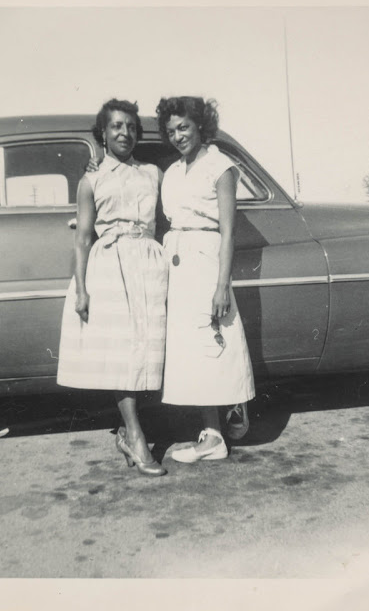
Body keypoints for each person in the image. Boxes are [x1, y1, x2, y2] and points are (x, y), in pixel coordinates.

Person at [57, 98, 168, 477]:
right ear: (103, 133)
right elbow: (83, 238)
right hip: (110, 267)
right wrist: (82, 289)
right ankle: (135, 435)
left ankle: (128, 430)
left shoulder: (153, 173)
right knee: (121, 351)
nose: (125, 133)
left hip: (149, 265)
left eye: (131, 127)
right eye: (117, 126)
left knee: (145, 352)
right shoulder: (91, 180)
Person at [156, 96, 255, 463]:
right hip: (178, 263)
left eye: (184, 127)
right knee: (194, 350)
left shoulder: (220, 166)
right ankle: (217, 425)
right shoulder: (172, 171)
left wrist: (221, 285)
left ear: (200, 125)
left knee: (214, 339)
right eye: (171, 131)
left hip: (206, 260)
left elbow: (228, 232)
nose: (178, 136)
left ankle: (216, 434)